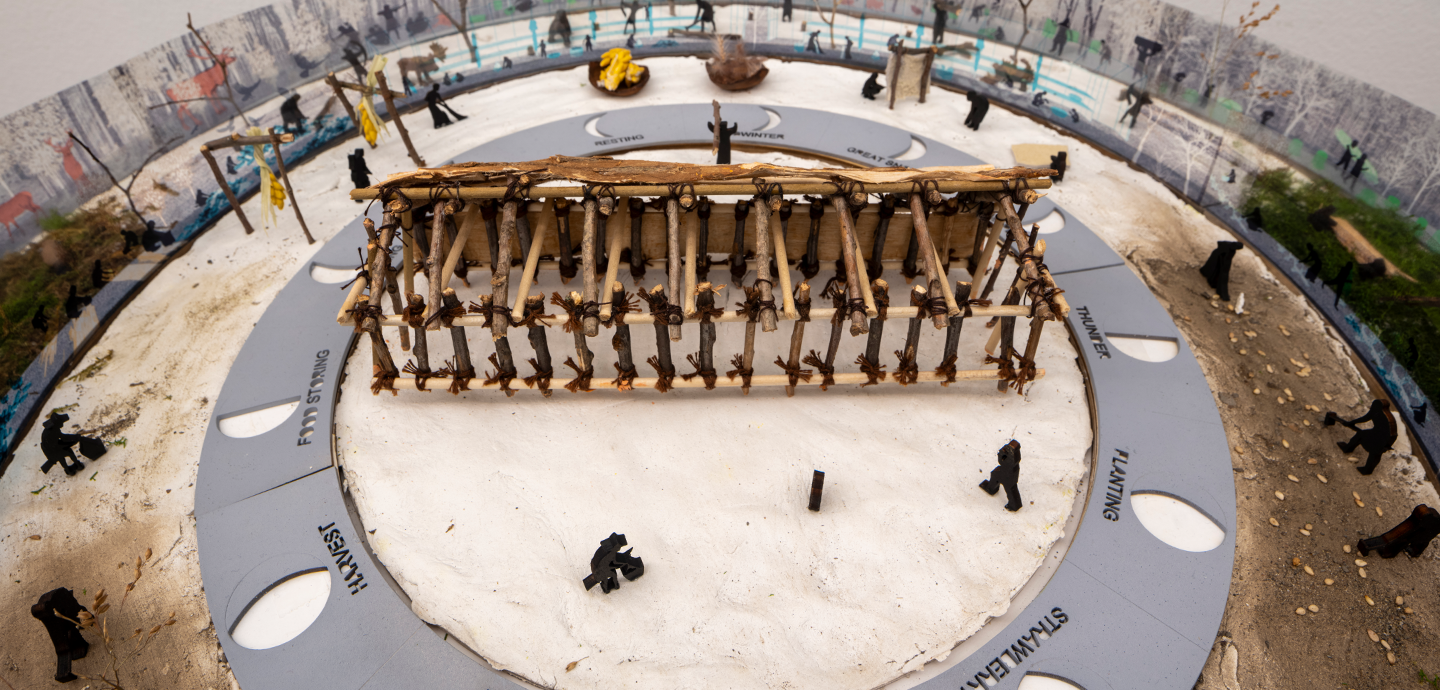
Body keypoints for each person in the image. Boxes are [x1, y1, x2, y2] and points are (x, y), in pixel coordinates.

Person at [32, 588, 90, 682]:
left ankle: (85, 623)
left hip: (61, 603)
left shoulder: (53, 607)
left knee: (74, 617)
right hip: (55, 608)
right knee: (59, 632)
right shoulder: (49, 615)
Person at [1328, 399, 1398, 475]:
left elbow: (1365, 418)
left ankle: (1347, 448)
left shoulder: (1376, 412)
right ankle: (1367, 470)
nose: (1371, 407)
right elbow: (1392, 433)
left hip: (1379, 435)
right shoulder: (1386, 415)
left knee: (1360, 435)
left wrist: (1350, 423)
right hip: (1388, 438)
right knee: (1376, 453)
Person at [1358, 505, 1440, 559]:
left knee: (1415, 539)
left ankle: (1414, 551)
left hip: (1425, 528)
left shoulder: (1429, 524)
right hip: (1423, 525)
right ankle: (1413, 551)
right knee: (1401, 536)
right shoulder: (1424, 519)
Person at [980, 440, 1023, 511]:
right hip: (1007, 473)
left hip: (1007, 475)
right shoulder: (1015, 457)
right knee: (995, 475)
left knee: (1010, 489)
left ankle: (1014, 505)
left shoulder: (1010, 455)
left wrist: (1001, 454)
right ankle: (991, 488)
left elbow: (1001, 461)